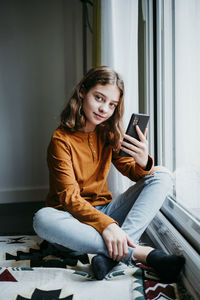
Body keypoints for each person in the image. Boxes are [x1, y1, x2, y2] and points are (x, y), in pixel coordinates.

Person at [33, 66, 185, 282]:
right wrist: (107, 226)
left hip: (106, 211)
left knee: (161, 175)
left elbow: (132, 171)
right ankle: (142, 254)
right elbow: (70, 199)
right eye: (99, 98)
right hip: (72, 220)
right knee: (42, 219)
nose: (104, 108)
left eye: (112, 104)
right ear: (82, 92)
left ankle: (112, 255)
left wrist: (143, 162)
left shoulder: (108, 133)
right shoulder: (61, 140)